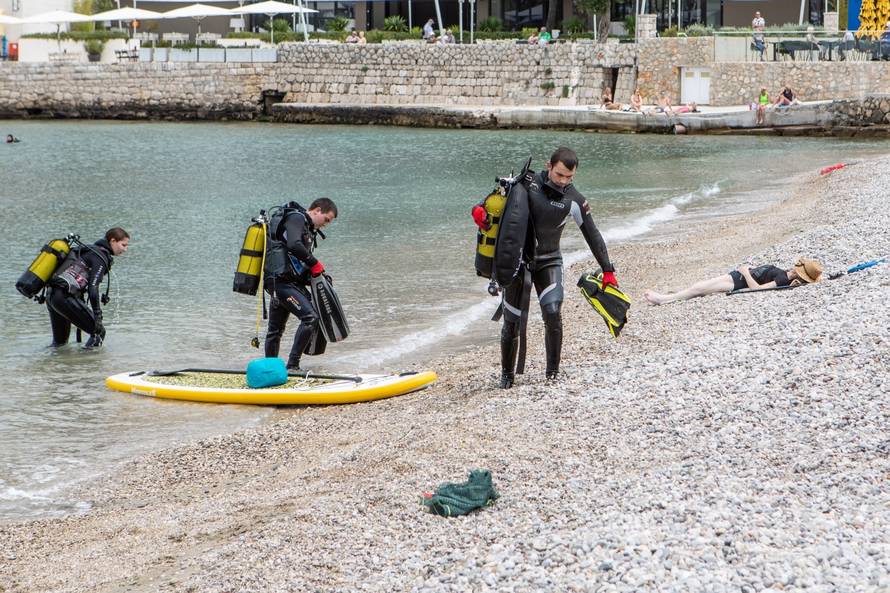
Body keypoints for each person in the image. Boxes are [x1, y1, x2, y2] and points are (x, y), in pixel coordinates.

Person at [472, 147, 617, 388]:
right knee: (512, 321)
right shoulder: (526, 185)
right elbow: (489, 204)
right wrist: (479, 213)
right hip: (520, 264)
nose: (563, 181)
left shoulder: (575, 200)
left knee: (552, 312)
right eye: (560, 175)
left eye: (569, 177)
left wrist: (608, 269)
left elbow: (592, 234)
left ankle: (553, 373)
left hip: (550, 260)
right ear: (549, 166)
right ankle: (506, 376)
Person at [264, 198, 338, 371]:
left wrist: (317, 276)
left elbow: (295, 259)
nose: (325, 225)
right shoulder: (297, 218)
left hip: (282, 282)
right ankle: (292, 366)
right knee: (310, 317)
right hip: (281, 283)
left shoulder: (305, 227)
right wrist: (315, 263)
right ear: (317, 210)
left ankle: (270, 369)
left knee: (275, 331)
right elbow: (294, 245)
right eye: (326, 219)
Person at [46, 227, 130, 348]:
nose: (125, 249)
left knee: (59, 345)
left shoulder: (89, 250)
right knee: (99, 333)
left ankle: (57, 365)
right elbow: (93, 288)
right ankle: (88, 365)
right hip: (64, 298)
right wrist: (97, 315)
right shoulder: (100, 257)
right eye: (123, 245)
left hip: (52, 296)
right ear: (112, 241)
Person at [644, 258, 823, 305]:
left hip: (738, 283)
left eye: (798, 268)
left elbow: (756, 289)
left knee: (699, 288)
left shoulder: (783, 278)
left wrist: (745, 272)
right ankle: (669, 297)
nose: (794, 267)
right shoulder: (785, 275)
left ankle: (663, 299)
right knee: (699, 285)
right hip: (735, 276)